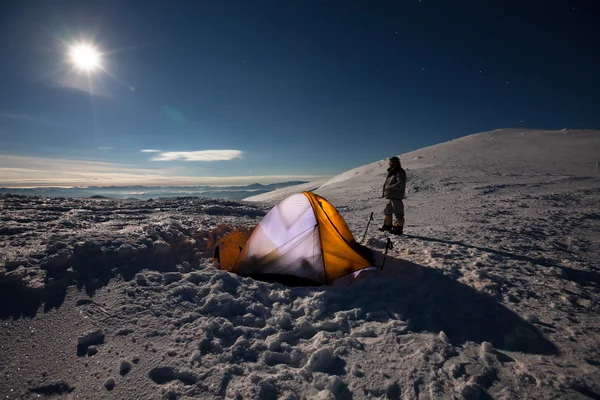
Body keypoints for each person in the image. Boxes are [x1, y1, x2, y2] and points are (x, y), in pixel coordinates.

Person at [379, 156, 406, 234]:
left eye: (390, 162)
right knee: (388, 210)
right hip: (390, 195)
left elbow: (400, 182)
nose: (389, 164)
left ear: (394, 163)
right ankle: (387, 226)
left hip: (396, 195)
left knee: (398, 211)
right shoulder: (392, 172)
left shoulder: (399, 172)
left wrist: (389, 187)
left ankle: (398, 228)